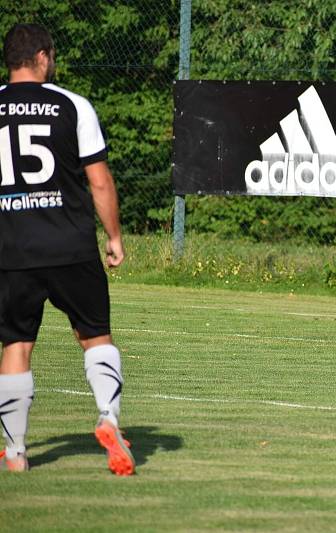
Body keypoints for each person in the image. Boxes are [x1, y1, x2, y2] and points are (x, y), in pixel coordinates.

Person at [0, 23, 134, 475]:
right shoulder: (71, 105)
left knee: (16, 344)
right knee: (95, 335)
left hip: (12, 249)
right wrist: (113, 237)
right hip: (72, 245)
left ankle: (16, 452)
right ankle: (108, 418)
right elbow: (99, 180)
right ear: (41, 56)